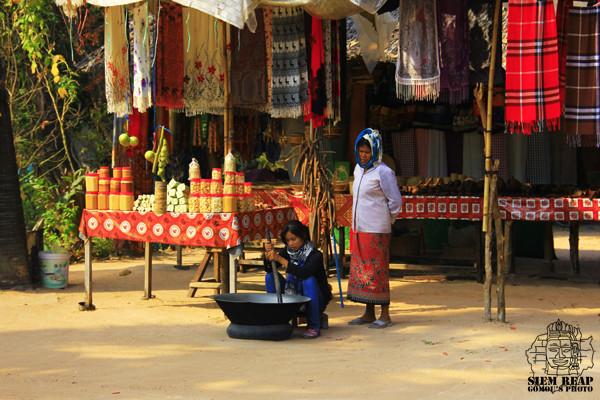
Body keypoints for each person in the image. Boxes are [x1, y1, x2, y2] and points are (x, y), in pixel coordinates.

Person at [347, 128, 403, 329]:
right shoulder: (358, 169)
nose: (363, 155)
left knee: (377, 272)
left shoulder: (384, 172)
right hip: (359, 229)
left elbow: (395, 201)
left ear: (376, 151)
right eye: (361, 151)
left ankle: (385, 315)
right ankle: (368, 313)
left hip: (377, 230)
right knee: (363, 272)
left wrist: (387, 221)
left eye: (367, 152)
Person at [264, 220, 332, 339]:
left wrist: (280, 259)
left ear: (303, 236)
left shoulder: (316, 255)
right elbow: (269, 269)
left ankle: (313, 326)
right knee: (270, 277)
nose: (291, 243)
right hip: (293, 298)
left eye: (293, 239)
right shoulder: (288, 251)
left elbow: (304, 273)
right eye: (288, 240)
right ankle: (276, 320)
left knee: (308, 280)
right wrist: (268, 255)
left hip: (315, 302)